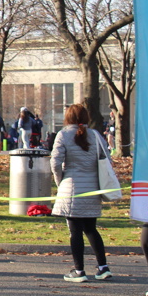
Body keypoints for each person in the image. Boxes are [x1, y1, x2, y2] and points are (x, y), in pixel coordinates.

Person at [51, 103, 113, 283]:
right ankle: (103, 267)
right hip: (92, 188)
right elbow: (107, 159)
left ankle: (79, 270)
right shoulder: (95, 135)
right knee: (91, 229)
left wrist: (60, 181)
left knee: (75, 231)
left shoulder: (63, 135)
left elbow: (55, 162)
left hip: (71, 188)